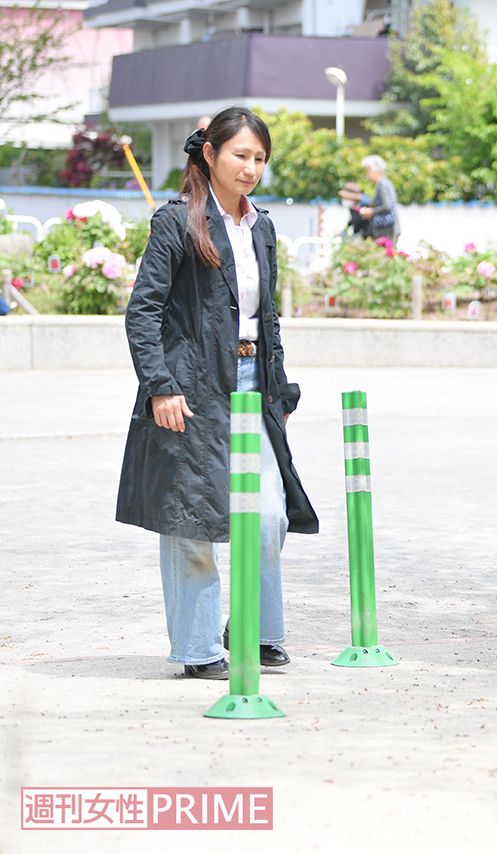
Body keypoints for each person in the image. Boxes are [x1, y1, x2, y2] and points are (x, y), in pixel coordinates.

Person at [116, 107, 318, 679]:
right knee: (191, 518)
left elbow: (268, 315)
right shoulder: (177, 222)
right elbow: (143, 312)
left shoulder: (263, 226)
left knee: (270, 516)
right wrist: (160, 386)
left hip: (254, 386)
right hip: (191, 388)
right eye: (240, 155)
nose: (251, 168)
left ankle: (253, 630)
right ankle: (199, 647)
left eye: (259, 158)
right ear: (209, 154)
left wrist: (279, 386)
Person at [358, 155, 399, 244]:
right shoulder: (384, 183)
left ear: (375, 170)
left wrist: (371, 211)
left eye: (368, 170)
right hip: (387, 227)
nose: (367, 174)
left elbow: (387, 206)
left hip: (386, 228)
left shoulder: (382, 184)